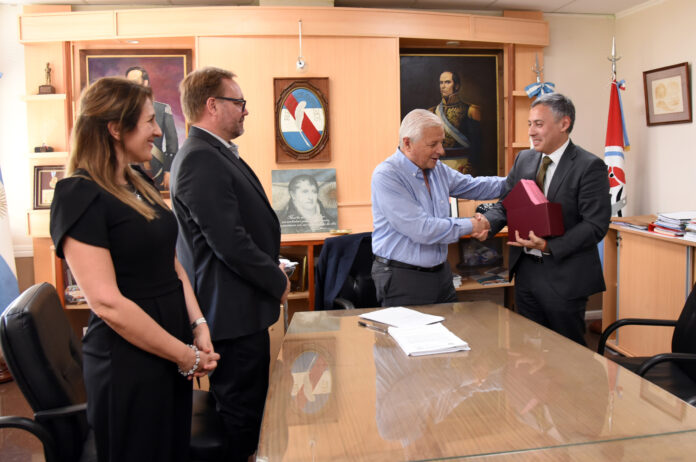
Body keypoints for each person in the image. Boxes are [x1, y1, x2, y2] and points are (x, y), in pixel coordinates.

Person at [49, 77, 219, 462]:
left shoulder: (138, 179)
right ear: (115, 128)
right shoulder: (78, 194)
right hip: (129, 366)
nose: (159, 131)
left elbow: (170, 262)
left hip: (169, 351)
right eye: (149, 121)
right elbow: (107, 303)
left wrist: (198, 324)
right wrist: (184, 356)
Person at [170, 66, 290, 461]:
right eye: (239, 102)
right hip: (230, 316)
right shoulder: (199, 159)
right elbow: (229, 242)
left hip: (238, 309)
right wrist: (276, 279)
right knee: (242, 419)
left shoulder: (213, 153)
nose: (245, 110)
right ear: (212, 105)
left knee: (249, 413)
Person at [479, 93, 611, 345]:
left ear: (564, 124)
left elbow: (595, 225)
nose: (531, 131)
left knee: (568, 351)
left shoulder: (589, 166)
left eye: (538, 124)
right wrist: (488, 222)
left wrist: (550, 246)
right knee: (529, 349)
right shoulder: (524, 159)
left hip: (565, 276)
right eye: (530, 124)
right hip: (526, 273)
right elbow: (507, 204)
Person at [371, 108, 505, 307]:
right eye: (433, 144)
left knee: (450, 326)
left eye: (441, 142)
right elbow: (422, 229)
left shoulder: (437, 169)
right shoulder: (387, 175)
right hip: (403, 278)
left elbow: (475, 186)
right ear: (407, 143)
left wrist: (517, 180)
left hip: (441, 275)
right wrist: (472, 225)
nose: (441, 151)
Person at [125, 65, 179, 190]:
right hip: (129, 168)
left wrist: (168, 170)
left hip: (156, 167)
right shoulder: (121, 111)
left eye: (134, 82)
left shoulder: (162, 109)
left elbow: (172, 143)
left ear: (145, 83)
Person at [428, 70, 482, 160]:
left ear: (456, 86)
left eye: (447, 82)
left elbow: (476, 145)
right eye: (441, 83)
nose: (443, 86)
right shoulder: (432, 112)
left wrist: (470, 165)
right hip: (437, 162)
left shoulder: (471, 110)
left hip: (462, 163)